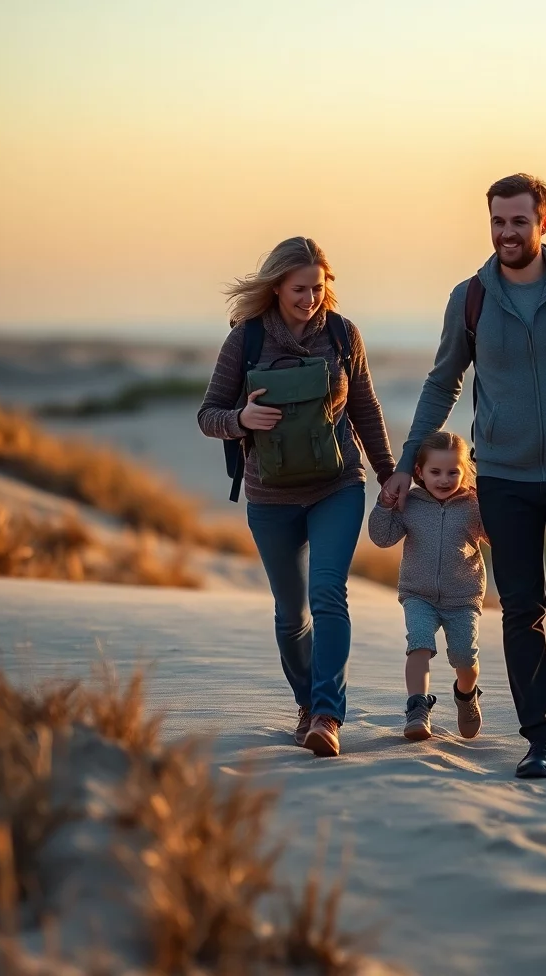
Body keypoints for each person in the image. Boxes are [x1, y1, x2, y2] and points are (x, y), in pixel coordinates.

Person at [382, 175, 546, 778]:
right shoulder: (471, 298)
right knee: (520, 606)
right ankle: (541, 735)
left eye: (519, 222)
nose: (507, 233)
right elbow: (442, 383)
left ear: (544, 224)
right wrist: (406, 465)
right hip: (502, 477)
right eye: (497, 223)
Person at [198, 236, 396, 759]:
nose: (310, 299)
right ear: (276, 287)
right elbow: (207, 415)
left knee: (330, 593)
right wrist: (240, 419)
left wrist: (389, 474)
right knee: (291, 611)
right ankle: (307, 705)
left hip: (337, 486)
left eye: (318, 288)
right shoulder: (245, 342)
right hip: (270, 497)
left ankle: (328, 716)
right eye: (299, 289)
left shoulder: (343, 335)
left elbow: (367, 413)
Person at [368, 431, 488, 742]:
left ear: (465, 472)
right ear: (420, 472)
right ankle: (417, 708)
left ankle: (466, 694)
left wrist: (492, 502)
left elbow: (497, 539)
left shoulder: (473, 505)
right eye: (435, 472)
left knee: (464, 659)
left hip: (463, 597)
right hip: (418, 595)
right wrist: (385, 504)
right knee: (419, 645)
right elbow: (382, 538)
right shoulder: (412, 503)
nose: (444, 479)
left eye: (453, 472)